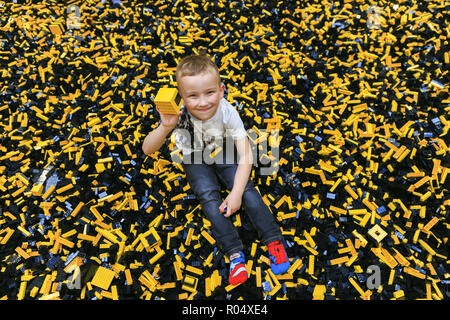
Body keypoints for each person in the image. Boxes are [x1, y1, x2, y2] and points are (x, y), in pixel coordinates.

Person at [142, 54, 290, 285]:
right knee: (209, 199)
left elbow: (246, 155)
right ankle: (234, 253)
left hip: (225, 149)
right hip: (195, 157)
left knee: (247, 191)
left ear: (221, 91)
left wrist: (236, 193)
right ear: (181, 97)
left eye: (209, 93)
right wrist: (165, 126)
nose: (202, 102)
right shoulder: (178, 115)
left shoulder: (227, 112)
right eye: (192, 96)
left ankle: (273, 239)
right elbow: (147, 149)